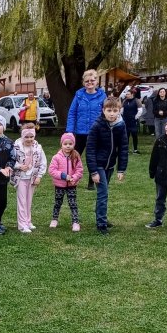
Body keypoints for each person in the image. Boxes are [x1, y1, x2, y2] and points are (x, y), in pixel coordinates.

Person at [86, 97, 128, 235]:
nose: (111, 113)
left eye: (115, 110)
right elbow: (90, 149)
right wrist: (93, 172)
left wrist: (121, 169)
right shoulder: (97, 126)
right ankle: (101, 224)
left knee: (102, 193)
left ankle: (101, 217)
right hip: (98, 164)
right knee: (103, 193)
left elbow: (123, 148)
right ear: (103, 110)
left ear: (119, 111)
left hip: (110, 164)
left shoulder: (121, 125)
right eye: (109, 110)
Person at [66, 69, 107, 190]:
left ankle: (91, 181)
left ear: (96, 82)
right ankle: (72, 179)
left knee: (94, 156)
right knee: (74, 156)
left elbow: (105, 113)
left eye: (92, 80)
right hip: (80, 132)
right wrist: (69, 130)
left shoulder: (102, 96)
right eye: (87, 81)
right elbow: (72, 113)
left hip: (95, 132)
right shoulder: (79, 95)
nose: (90, 83)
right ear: (84, 82)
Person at [10, 123, 47, 233]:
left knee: (29, 200)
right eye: (26, 137)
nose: (29, 139)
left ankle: (28, 221)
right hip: (20, 178)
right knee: (22, 201)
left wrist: (39, 176)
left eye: (31, 136)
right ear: (22, 136)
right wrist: (19, 166)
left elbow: (42, 163)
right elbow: (10, 161)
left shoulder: (38, 148)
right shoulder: (16, 147)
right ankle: (22, 225)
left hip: (32, 177)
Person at [48, 133, 84, 232]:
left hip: (72, 185)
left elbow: (79, 170)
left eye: (70, 143)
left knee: (73, 203)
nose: (68, 146)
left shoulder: (76, 156)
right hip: (59, 185)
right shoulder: (56, 157)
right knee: (58, 202)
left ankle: (75, 222)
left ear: (73, 144)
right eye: (65, 144)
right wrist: (63, 176)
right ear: (61, 144)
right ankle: (54, 219)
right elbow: (52, 170)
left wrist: (74, 178)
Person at [146, 121, 167, 228]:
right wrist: (152, 171)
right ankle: (158, 219)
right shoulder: (160, 140)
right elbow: (154, 158)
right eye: (166, 125)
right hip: (161, 175)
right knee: (160, 198)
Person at [121, 89, 143, 153]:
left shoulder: (136, 101)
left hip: (133, 121)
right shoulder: (124, 101)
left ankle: (135, 150)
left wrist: (135, 117)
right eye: (126, 94)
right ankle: (126, 150)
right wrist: (123, 117)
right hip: (126, 121)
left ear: (132, 94)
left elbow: (140, 111)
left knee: (134, 136)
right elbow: (122, 110)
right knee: (126, 136)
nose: (126, 95)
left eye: (128, 94)